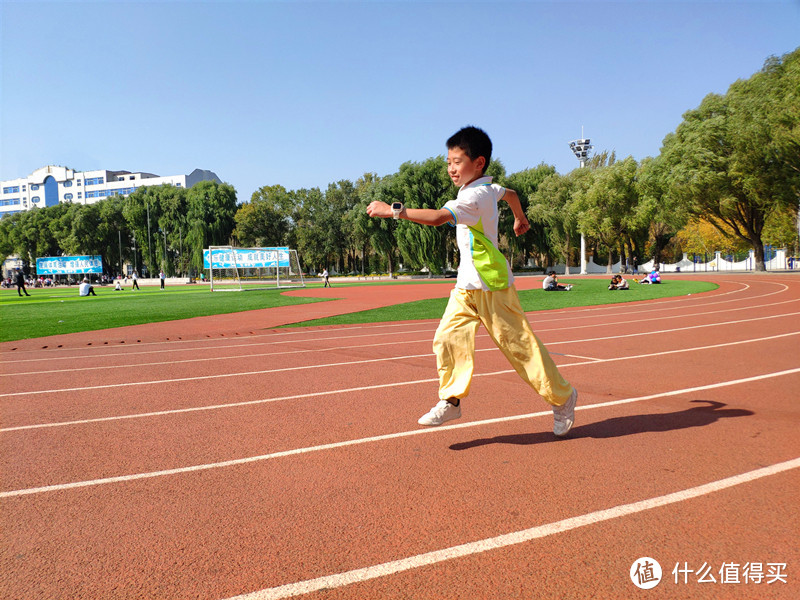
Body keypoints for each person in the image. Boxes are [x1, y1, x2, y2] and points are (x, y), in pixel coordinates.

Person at [366, 126, 578, 436]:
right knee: (447, 338)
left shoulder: (476, 196)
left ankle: (563, 398)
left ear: (478, 163)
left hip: (492, 287)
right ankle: (451, 400)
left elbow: (439, 218)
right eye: (448, 162)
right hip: (466, 287)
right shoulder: (486, 189)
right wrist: (520, 217)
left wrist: (393, 211)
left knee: (522, 351)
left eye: (457, 162)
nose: (451, 169)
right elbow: (512, 194)